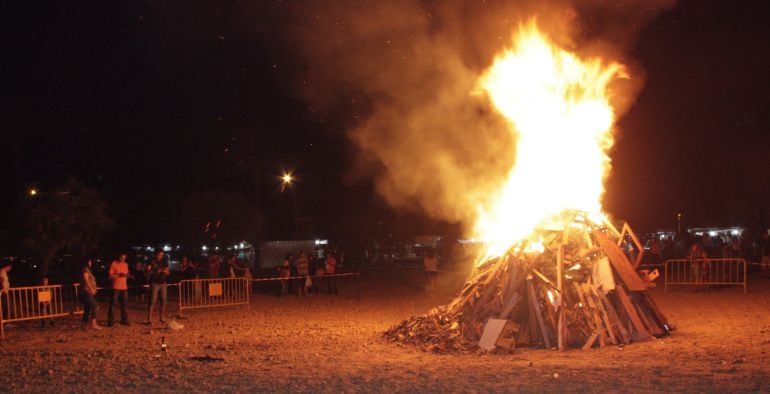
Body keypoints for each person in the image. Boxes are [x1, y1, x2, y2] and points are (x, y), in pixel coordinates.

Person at [146, 250, 170, 324]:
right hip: (154, 283)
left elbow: (168, 272)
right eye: (159, 254)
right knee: (152, 301)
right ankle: (149, 319)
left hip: (163, 283)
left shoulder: (165, 262)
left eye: (162, 255)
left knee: (163, 300)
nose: (160, 256)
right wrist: (155, 271)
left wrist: (165, 272)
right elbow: (147, 272)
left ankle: (161, 318)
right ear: (156, 254)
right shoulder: (151, 261)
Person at [107, 254, 131, 326]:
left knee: (124, 305)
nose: (123, 259)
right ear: (119, 257)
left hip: (124, 287)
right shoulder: (114, 264)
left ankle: (124, 320)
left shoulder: (126, 264)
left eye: (124, 258)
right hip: (115, 287)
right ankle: (110, 321)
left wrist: (128, 276)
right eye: (122, 257)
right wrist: (118, 275)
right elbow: (110, 276)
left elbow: (127, 274)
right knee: (113, 305)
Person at [79, 259, 101, 330]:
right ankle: (93, 324)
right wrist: (91, 288)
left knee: (87, 308)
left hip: (86, 292)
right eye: (89, 261)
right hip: (85, 292)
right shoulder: (85, 270)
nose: (90, 263)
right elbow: (86, 280)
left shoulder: (87, 270)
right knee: (95, 306)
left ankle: (84, 324)